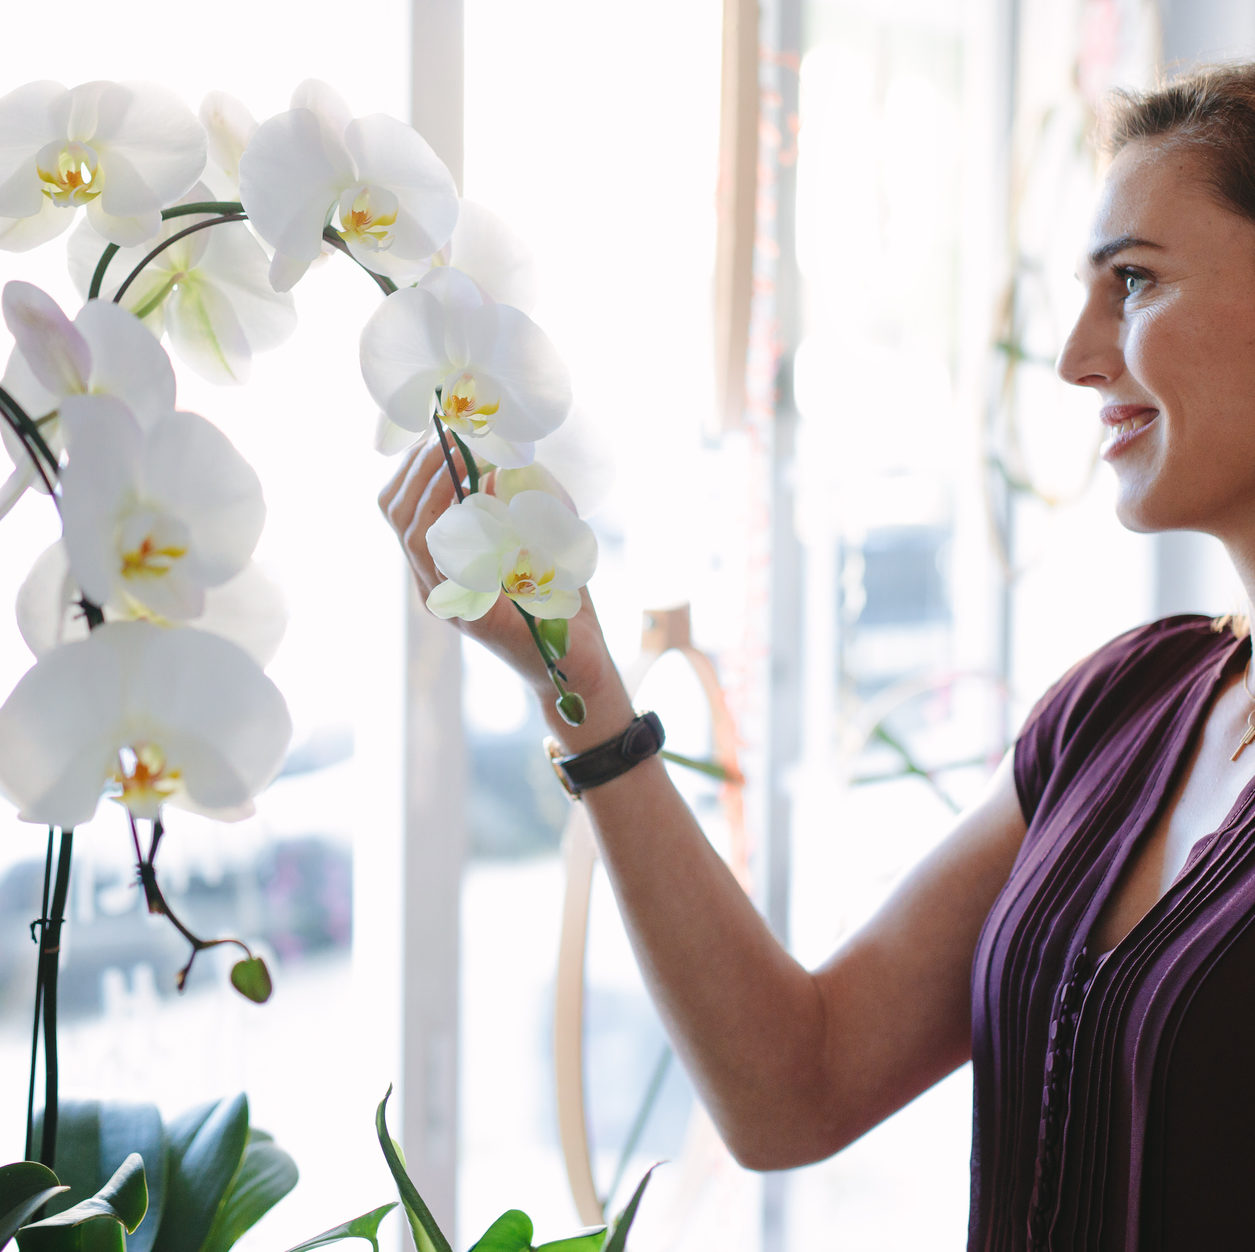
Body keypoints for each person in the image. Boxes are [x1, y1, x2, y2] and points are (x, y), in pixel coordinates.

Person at [379, 61, 1255, 1251]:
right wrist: (571, 679)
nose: (1074, 356)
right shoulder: (1121, 708)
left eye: (1135, 284)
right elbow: (797, 1080)